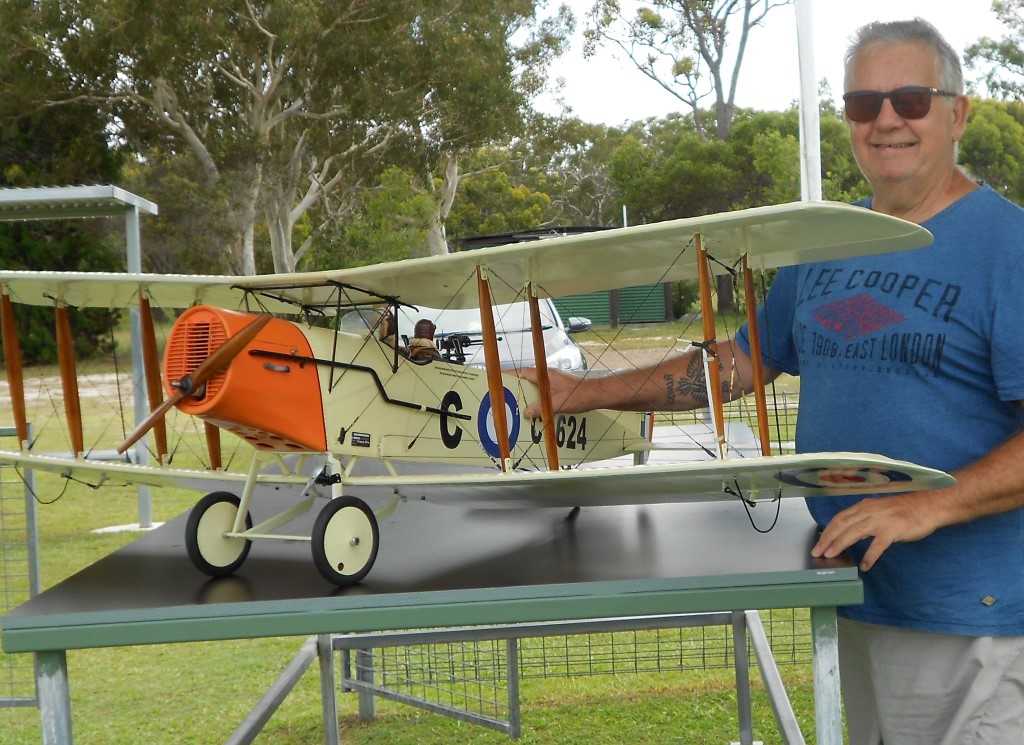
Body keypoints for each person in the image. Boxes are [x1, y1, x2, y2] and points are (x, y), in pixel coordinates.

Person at [519, 18, 1024, 745]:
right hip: (857, 594)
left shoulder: (1007, 246)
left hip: (972, 619)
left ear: (958, 113)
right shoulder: (824, 242)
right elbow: (740, 363)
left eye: (911, 99)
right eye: (863, 103)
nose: (886, 119)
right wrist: (580, 392)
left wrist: (926, 508)